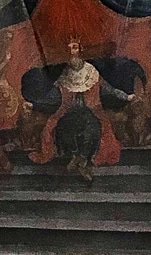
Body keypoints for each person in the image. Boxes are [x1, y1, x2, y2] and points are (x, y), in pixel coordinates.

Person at [24, 37, 136, 180]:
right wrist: (34, 104)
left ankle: (82, 159)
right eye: (69, 49)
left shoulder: (91, 72)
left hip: (91, 111)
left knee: (93, 127)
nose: (72, 52)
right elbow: (51, 96)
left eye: (75, 48)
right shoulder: (65, 74)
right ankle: (77, 157)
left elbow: (109, 90)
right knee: (63, 125)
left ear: (80, 50)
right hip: (69, 111)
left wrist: (126, 96)